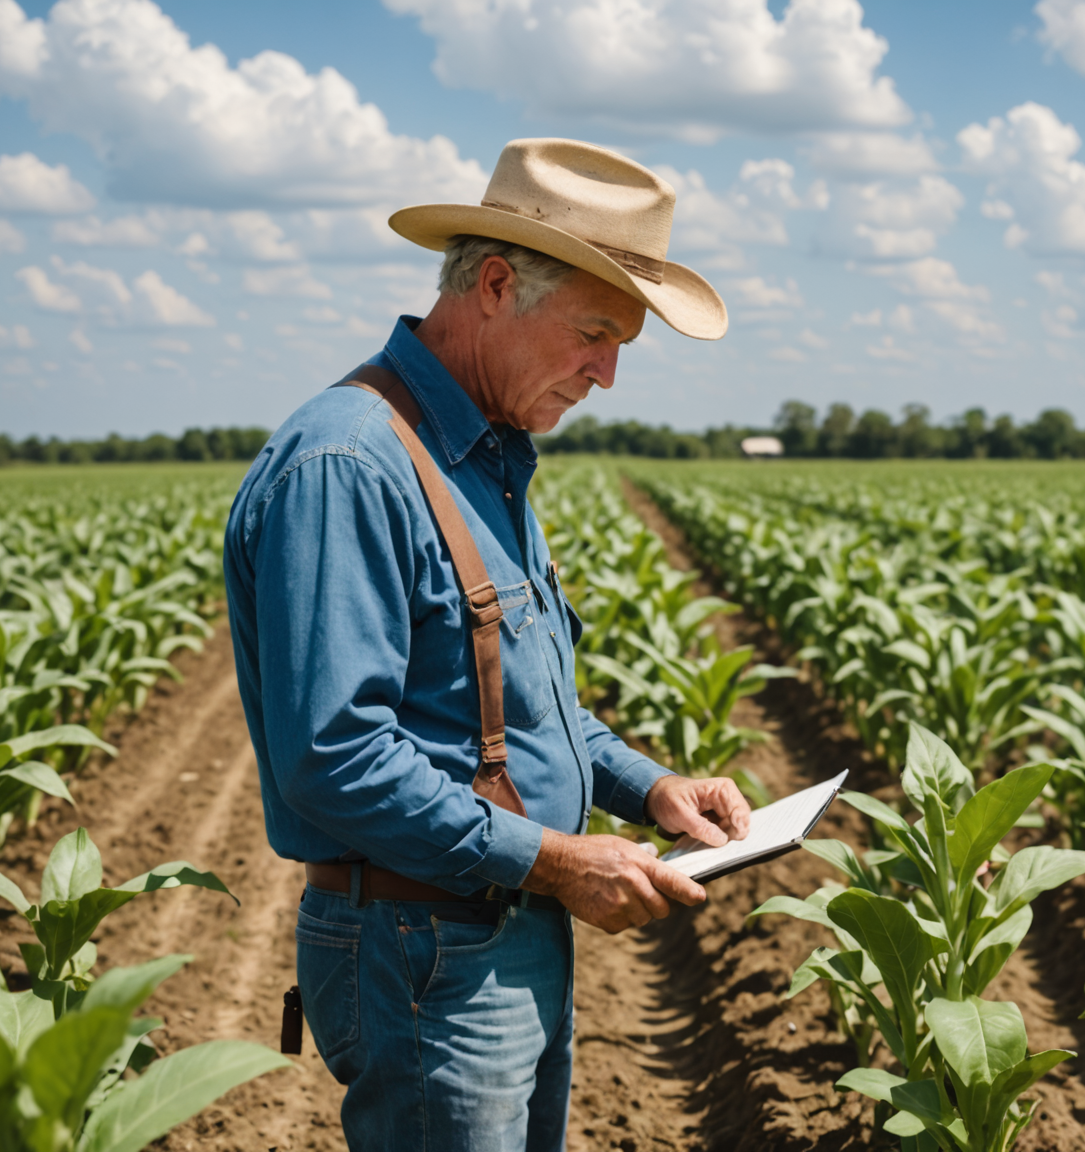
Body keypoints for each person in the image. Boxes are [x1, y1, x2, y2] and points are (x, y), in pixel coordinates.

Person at [223, 138, 745, 1152]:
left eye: (623, 344)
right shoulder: (351, 462)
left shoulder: (485, 456)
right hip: (426, 952)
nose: (608, 373)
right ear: (497, 284)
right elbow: (334, 758)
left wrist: (650, 789)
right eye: (597, 332)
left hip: (498, 931)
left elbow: (523, 700)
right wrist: (553, 859)